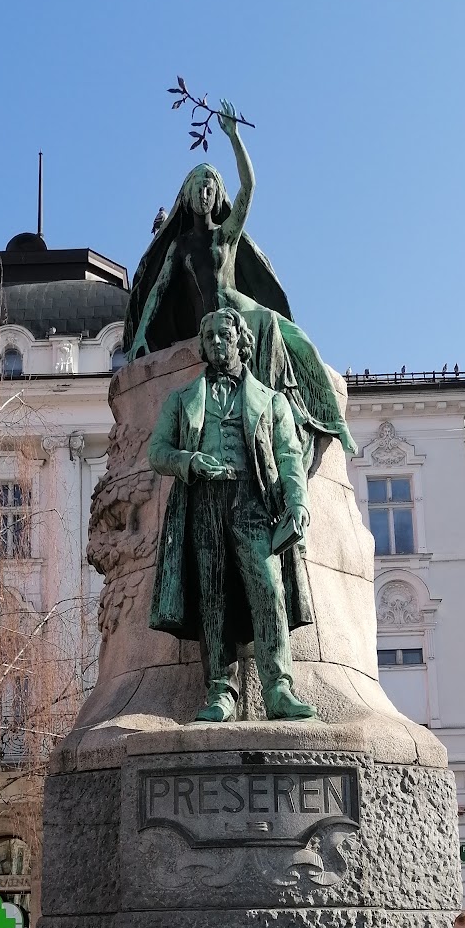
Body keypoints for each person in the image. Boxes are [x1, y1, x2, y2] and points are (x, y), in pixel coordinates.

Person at [125, 101, 356, 468]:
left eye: (210, 186)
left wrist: (234, 137)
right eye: (198, 186)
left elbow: (249, 187)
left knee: (294, 337)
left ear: (217, 195)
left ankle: (330, 420)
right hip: (211, 322)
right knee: (273, 336)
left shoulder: (225, 236)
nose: (204, 192)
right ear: (186, 195)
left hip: (237, 309)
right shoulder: (180, 246)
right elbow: (158, 292)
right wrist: (140, 337)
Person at [147, 306, 317, 721]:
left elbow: (290, 456)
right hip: (204, 500)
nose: (217, 344)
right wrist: (188, 460)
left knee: (270, 589)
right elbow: (157, 452)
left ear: (241, 341)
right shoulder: (183, 398)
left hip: (254, 500)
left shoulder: (271, 400)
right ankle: (221, 691)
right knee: (212, 596)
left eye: (224, 335)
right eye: (209, 339)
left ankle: (278, 688)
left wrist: (297, 504)